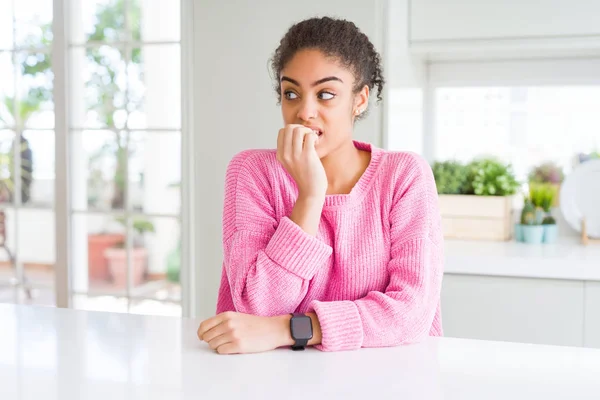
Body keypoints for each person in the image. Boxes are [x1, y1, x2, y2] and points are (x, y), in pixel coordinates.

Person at [197, 16, 444, 354]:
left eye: (326, 94)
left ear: (359, 100)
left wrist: (291, 328)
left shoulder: (403, 175)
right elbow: (256, 309)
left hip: (386, 377)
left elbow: (411, 314)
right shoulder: (251, 172)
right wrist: (310, 196)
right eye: (291, 93)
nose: (304, 111)